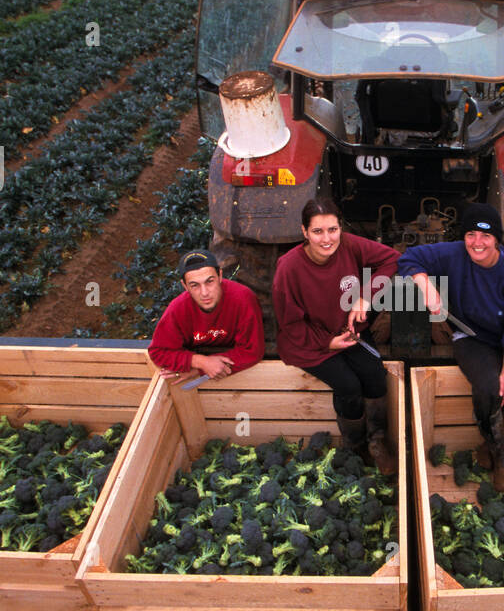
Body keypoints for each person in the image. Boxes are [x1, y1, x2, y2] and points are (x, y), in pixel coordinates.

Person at [398, 203, 504, 491]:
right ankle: (501, 452)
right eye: (471, 234)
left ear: (497, 240)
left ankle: (489, 443)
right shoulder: (454, 253)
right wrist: (427, 287)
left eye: (486, 236)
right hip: (472, 335)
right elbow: (410, 257)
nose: (477, 243)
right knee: (488, 389)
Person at [272, 198, 400, 475]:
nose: (327, 238)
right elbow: (290, 324)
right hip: (308, 341)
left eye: (333, 229)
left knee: (375, 376)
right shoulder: (288, 267)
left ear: (341, 228)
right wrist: (326, 343)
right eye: (318, 231)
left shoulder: (350, 245)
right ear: (304, 232)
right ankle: (355, 447)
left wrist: (366, 298)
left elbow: (391, 259)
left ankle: (377, 441)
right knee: (349, 385)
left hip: (347, 332)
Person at [148, 248, 265, 382]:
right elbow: (158, 351)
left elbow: (252, 350)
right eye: (194, 285)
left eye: (209, 281)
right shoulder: (178, 308)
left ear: (220, 276)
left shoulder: (243, 299)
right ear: (184, 286)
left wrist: (199, 371)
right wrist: (200, 362)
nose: (204, 293)